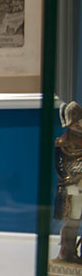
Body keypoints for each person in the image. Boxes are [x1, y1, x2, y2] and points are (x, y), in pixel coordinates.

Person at [55, 101, 82, 263]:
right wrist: (68, 181)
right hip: (72, 186)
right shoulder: (63, 143)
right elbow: (60, 165)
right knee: (72, 219)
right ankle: (67, 252)